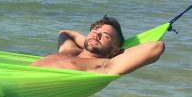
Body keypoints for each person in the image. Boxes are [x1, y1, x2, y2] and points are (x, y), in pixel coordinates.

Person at [31, 16, 165, 75]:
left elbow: (156, 46)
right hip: (16, 76)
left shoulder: (104, 65)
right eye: (95, 31)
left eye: (106, 36)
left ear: (115, 49)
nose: (97, 35)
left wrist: (115, 53)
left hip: (24, 91)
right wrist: (91, 40)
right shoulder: (70, 50)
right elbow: (64, 33)